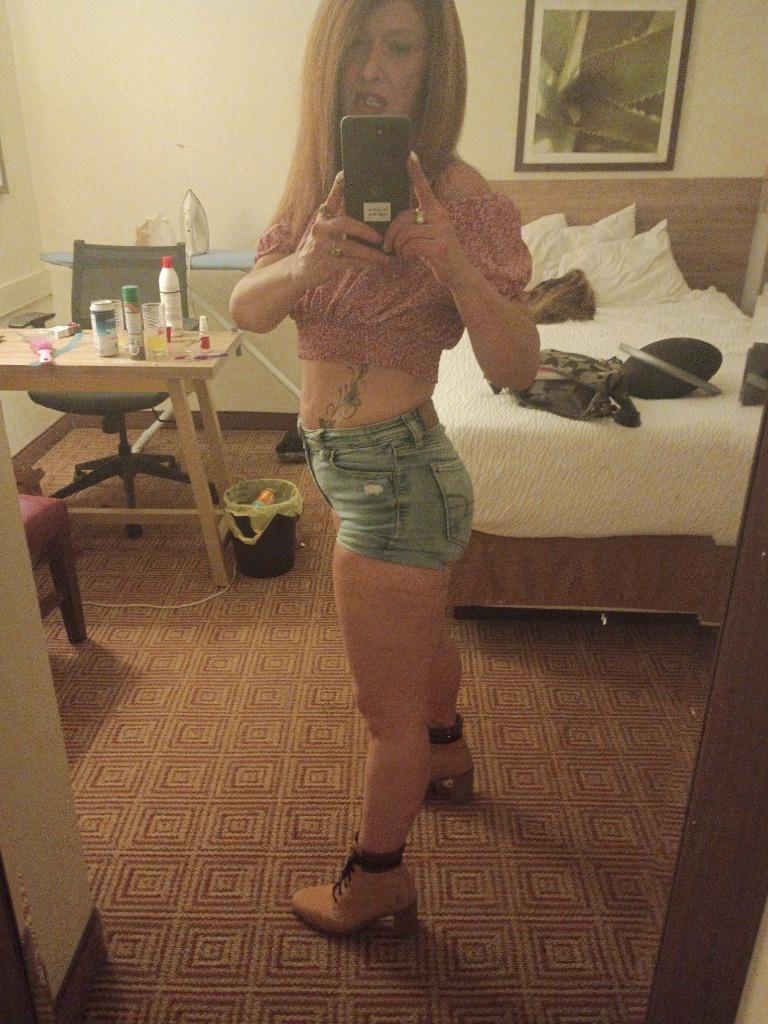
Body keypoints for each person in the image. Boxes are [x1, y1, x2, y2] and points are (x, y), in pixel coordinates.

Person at [230, 0, 539, 937]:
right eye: (356, 46)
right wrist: (307, 263)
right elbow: (247, 309)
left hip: (397, 479)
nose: (371, 69)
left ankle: (377, 882)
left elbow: (519, 366)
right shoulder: (319, 187)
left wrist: (455, 267)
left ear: (432, 65)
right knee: (418, 641)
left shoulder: (462, 198)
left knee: (381, 711)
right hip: (360, 469)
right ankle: (446, 750)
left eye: (398, 46)